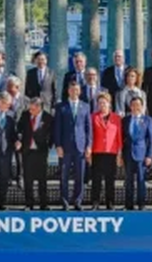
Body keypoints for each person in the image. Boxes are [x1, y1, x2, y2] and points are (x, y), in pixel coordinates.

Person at [55, 80, 92, 211]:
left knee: (80, 175)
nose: (74, 92)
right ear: (68, 91)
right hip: (65, 146)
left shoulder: (85, 106)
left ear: (80, 91)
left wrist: (89, 146)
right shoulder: (61, 106)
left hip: (80, 146)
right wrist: (58, 145)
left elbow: (88, 128)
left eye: (76, 90)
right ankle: (64, 202)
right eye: (72, 89)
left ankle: (78, 201)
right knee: (64, 176)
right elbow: (57, 127)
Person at [17, 97, 54, 210]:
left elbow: (52, 134)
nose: (30, 110)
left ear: (39, 107)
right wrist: (19, 140)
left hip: (41, 151)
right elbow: (19, 129)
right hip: (27, 151)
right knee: (28, 179)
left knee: (42, 179)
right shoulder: (25, 115)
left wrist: (48, 145)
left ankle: (43, 204)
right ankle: (29, 204)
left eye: (32, 108)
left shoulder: (48, 118)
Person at [89, 92, 122, 210]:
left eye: (104, 103)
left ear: (109, 104)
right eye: (100, 103)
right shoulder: (93, 117)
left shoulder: (116, 118)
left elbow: (119, 136)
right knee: (96, 179)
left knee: (110, 180)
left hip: (111, 152)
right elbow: (90, 135)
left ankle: (110, 203)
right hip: (97, 152)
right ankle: (95, 202)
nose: (102, 105)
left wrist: (119, 153)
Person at [122, 97, 152, 210]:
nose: (136, 107)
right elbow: (122, 138)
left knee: (141, 180)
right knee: (128, 181)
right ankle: (129, 205)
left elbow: (151, 139)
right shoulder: (125, 120)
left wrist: (149, 155)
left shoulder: (148, 120)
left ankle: (141, 204)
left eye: (138, 105)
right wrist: (121, 155)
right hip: (128, 154)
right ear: (130, 107)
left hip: (142, 154)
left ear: (142, 106)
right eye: (133, 105)